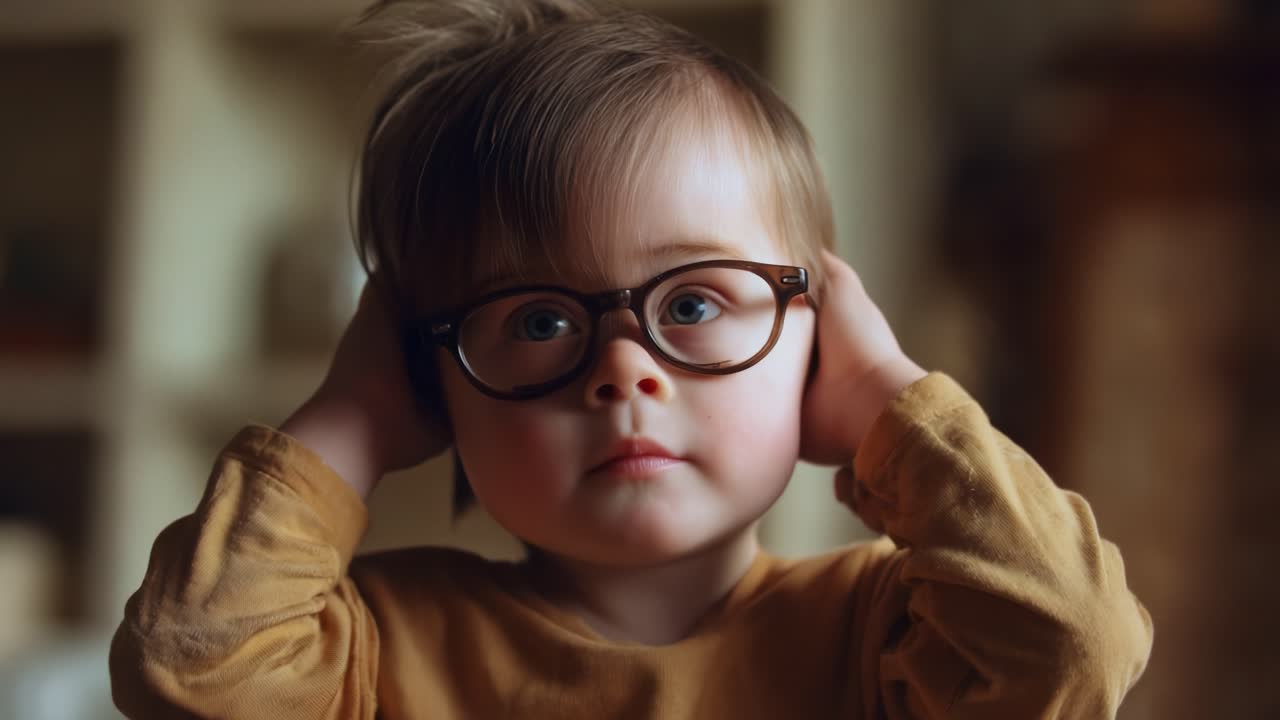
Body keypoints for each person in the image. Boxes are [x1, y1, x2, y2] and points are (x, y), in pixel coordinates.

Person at [108, 1, 1153, 717]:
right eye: (538, 322)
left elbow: (1068, 641)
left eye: (693, 300)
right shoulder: (379, 646)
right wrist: (350, 412)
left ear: (817, 338)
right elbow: (188, 674)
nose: (622, 372)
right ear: (431, 376)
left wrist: (891, 402)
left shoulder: (888, 638)